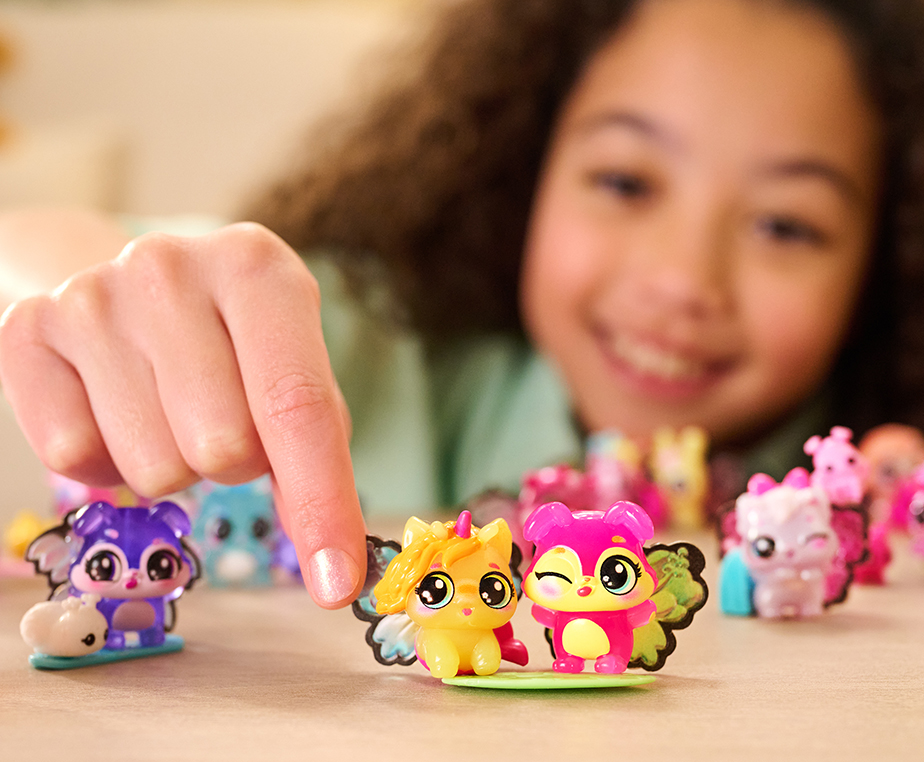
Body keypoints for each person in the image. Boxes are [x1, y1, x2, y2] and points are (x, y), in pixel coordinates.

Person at [2, 0, 924, 610]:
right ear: (521, 172)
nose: (684, 281)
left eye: (786, 228)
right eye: (626, 180)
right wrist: (109, 290)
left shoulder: (881, 482)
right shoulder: (368, 351)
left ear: (888, 261)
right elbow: (36, 248)